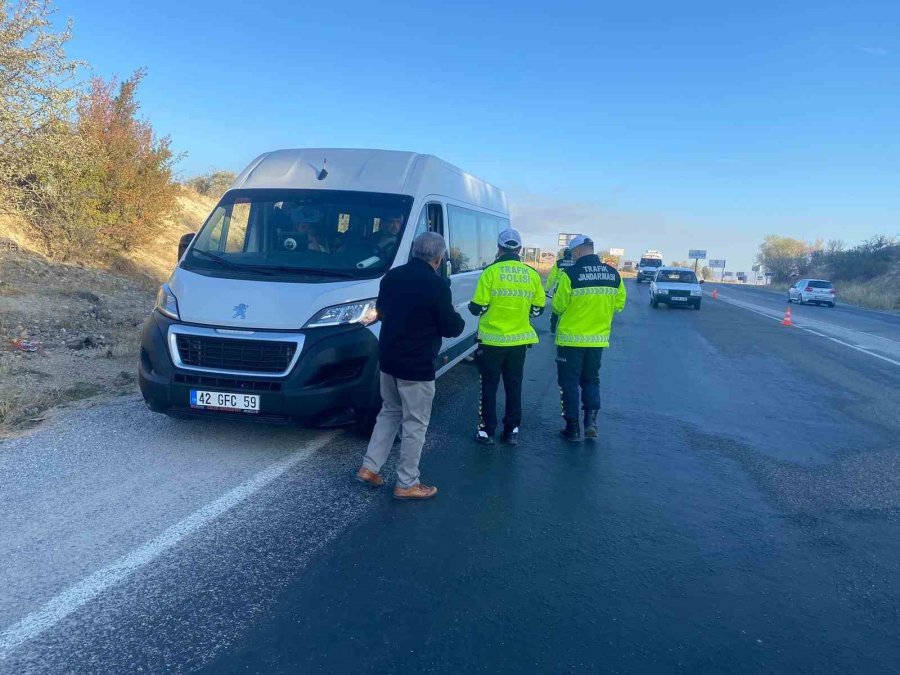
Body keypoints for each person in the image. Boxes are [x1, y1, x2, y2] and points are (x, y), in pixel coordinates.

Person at [356, 232, 465, 500]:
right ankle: (407, 482)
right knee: (415, 423)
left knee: (389, 412)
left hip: (389, 359)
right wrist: (456, 315)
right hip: (417, 366)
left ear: (414, 252)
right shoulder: (437, 285)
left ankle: (370, 467)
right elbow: (451, 328)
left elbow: (381, 311)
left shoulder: (391, 276)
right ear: (438, 258)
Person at [468, 228, 545, 446]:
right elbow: (538, 309)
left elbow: (478, 307)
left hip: (491, 341)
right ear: (519, 249)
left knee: (489, 385)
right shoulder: (531, 274)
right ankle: (511, 431)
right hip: (518, 342)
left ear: (499, 248)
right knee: (514, 385)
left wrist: (481, 309)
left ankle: (486, 431)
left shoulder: (490, 272)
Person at [552, 234, 626, 442]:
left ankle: (572, 428)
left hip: (570, 340)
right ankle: (591, 423)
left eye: (572, 253)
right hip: (597, 340)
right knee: (591, 379)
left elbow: (558, 306)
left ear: (577, 251)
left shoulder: (570, 274)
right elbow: (619, 304)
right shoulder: (613, 274)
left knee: (569, 382)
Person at [544, 248, 574, 334]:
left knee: (556, 308)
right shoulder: (575, 263)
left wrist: (546, 289)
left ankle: (553, 326)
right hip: (572, 288)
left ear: (564, 254)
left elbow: (552, 277)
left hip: (559, 289)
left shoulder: (559, 263)